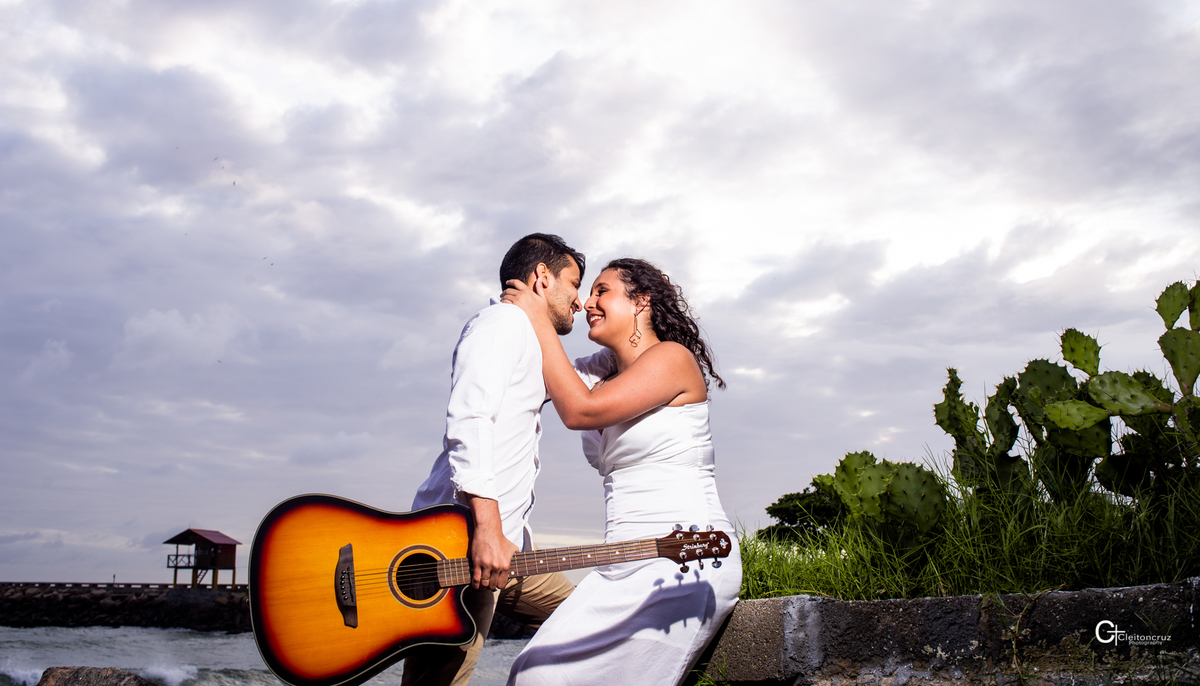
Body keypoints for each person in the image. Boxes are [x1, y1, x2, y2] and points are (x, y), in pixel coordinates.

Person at [501, 257, 742, 686]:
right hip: (620, 560)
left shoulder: (672, 359)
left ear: (641, 302)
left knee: (542, 679)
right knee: (531, 670)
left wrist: (537, 319)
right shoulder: (603, 372)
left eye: (601, 291)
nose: (586, 302)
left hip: (687, 555)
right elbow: (537, 377)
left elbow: (579, 410)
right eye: (588, 292)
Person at [402, 234, 586, 686]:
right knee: (440, 681)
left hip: (506, 544)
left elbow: (578, 386)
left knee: (586, 614)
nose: (579, 302)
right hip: (459, 542)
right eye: (573, 284)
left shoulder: (527, 335)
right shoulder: (501, 323)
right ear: (543, 277)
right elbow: (470, 418)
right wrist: (486, 530)